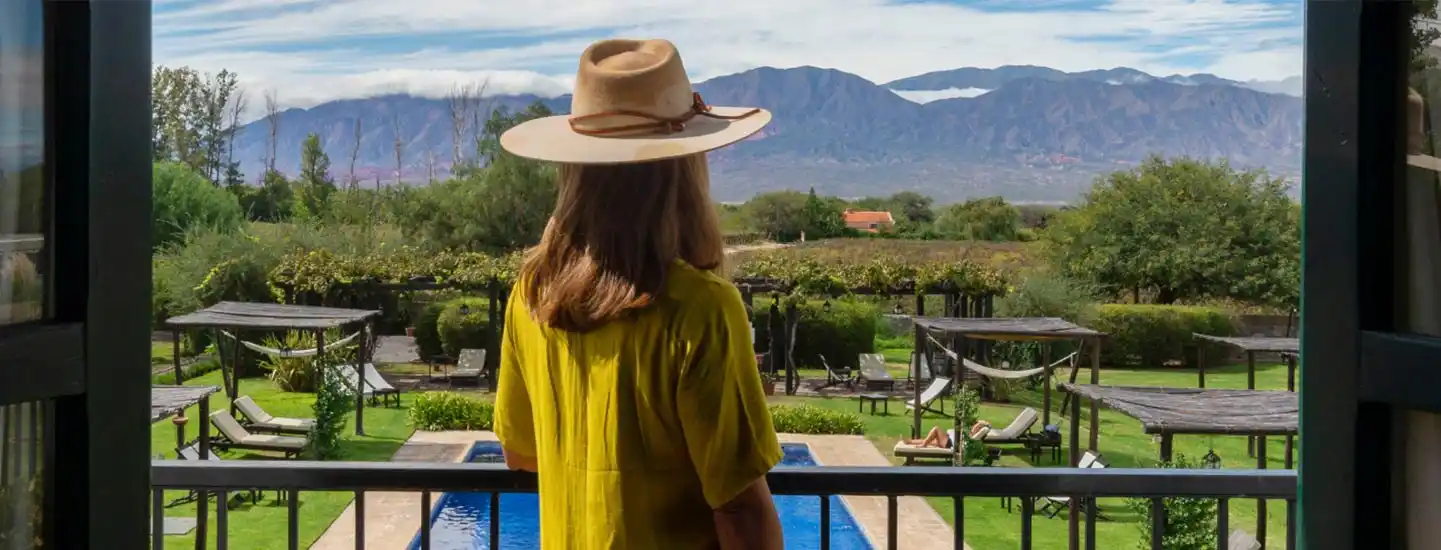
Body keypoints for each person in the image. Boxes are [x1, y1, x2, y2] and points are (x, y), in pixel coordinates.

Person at [492, 38, 783, 550]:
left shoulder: (533, 295)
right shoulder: (700, 308)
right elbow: (737, 502)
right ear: (683, 168)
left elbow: (522, 453)